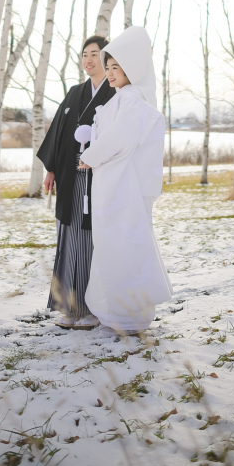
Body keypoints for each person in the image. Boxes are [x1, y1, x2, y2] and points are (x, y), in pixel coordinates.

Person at [79, 25, 172, 334]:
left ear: (132, 68)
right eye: (108, 67)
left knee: (125, 244)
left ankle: (130, 313)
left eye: (116, 66)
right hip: (111, 186)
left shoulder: (134, 104)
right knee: (110, 245)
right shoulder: (118, 102)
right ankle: (112, 310)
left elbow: (118, 140)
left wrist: (89, 156)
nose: (110, 72)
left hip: (124, 189)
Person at [36, 35, 114, 329]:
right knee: (68, 238)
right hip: (70, 178)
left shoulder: (115, 93)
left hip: (99, 179)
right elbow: (58, 132)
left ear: (106, 58)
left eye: (94, 54)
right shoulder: (74, 93)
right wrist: (52, 169)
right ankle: (69, 307)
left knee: (91, 240)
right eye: (84, 55)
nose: (88, 60)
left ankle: (92, 308)